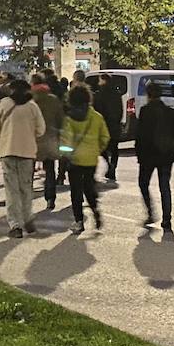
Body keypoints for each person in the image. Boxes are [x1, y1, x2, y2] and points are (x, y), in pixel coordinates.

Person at [0, 79, 46, 238]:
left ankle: (15, 224)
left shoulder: (4, 104)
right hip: (27, 152)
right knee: (26, 187)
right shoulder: (32, 106)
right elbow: (41, 129)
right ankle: (28, 217)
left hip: (8, 150)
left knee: (11, 189)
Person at [60, 84, 110, 234]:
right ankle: (95, 210)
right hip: (91, 159)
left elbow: (66, 141)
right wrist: (97, 149)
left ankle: (79, 221)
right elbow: (105, 137)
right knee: (89, 188)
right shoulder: (97, 117)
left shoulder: (69, 119)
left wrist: (65, 154)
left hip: (74, 160)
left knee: (75, 192)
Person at [136, 81, 174, 232]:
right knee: (164, 186)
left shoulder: (145, 111)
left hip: (149, 154)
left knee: (143, 183)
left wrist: (139, 154)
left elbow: (140, 135)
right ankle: (167, 219)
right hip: (166, 154)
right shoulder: (169, 111)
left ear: (148, 95)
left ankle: (150, 212)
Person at [32, 73, 65, 211]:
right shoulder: (53, 100)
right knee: (49, 168)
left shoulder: (30, 100)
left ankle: (26, 198)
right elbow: (61, 120)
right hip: (50, 138)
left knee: (28, 170)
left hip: (32, 140)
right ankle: (50, 198)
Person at [92, 74, 123, 182]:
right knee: (114, 148)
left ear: (104, 81)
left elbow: (96, 110)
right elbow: (120, 110)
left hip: (103, 125)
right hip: (114, 125)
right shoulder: (117, 94)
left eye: (100, 80)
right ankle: (113, 167)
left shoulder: (99, 95)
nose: (98, 82)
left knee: (102, 148)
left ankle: (109, 164)